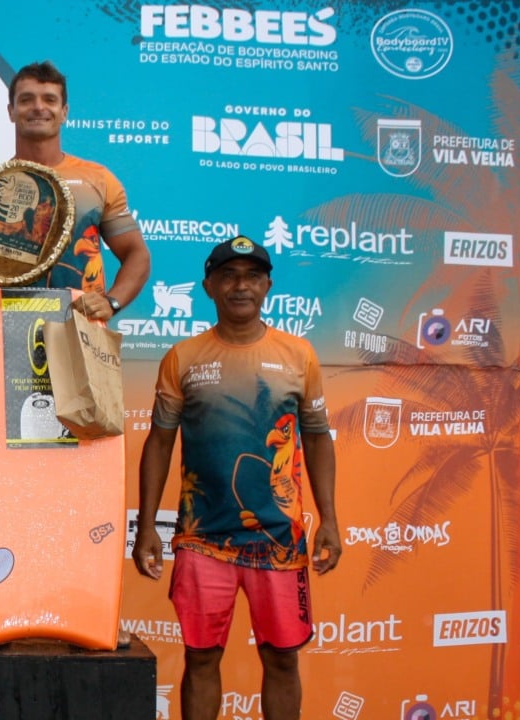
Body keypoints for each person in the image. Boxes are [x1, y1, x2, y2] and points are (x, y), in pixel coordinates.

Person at [131, 236, 340, 720]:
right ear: (208, 287)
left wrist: (329, 518)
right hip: (202, 539)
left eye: (251, 276)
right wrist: (145, 529)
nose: (239, 286)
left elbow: (318, 439)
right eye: (228, 276)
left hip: (280, 540)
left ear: (267, 286)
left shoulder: (299, 356)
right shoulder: (183, 358)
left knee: (282, 658)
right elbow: (159, 443)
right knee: (201, 657)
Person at [0, 60, 150, 318]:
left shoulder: (98, 179)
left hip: (80, 322)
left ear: (64, 111)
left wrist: (112, 302)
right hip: (7, 324)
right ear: (11, 111)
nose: (39, 107)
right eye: (26, 100)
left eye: (49, 100)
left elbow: (137, 254)